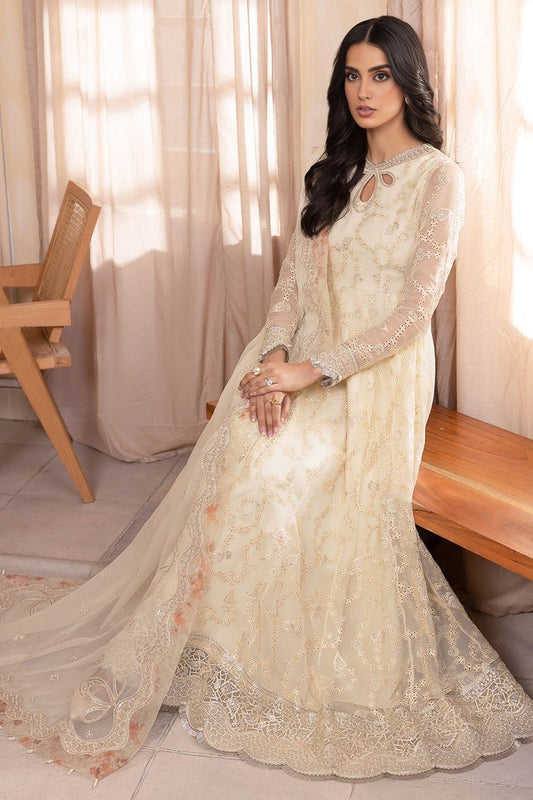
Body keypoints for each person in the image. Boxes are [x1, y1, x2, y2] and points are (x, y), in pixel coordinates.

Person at [1, 15, 532, 784]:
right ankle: (202, 637)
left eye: (380, 74)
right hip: (297, 355)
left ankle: (262, 652)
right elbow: (289, 287)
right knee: (246, 446)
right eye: (351, 75)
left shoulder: (437, 179)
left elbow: (412, 314)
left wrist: (310, 371)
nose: (363, 91)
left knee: (281, 473)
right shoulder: (334, 172)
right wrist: (275, 355)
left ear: (408, 82)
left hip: (373, 377)